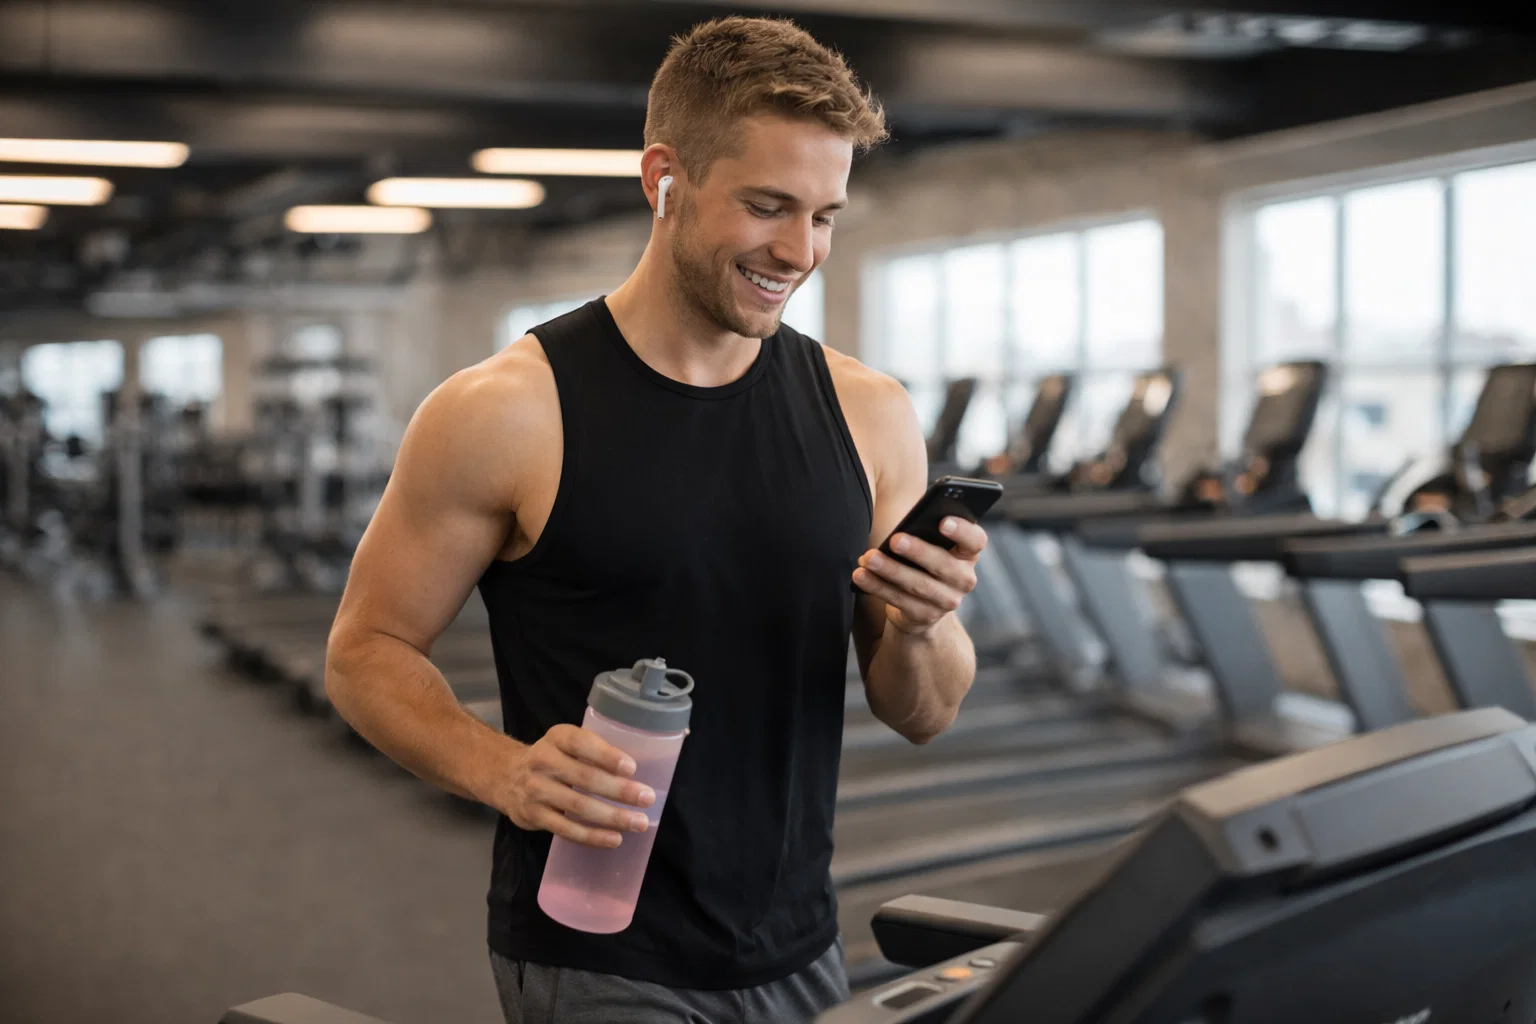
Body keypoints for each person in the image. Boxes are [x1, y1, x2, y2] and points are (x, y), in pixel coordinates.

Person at [325, 16, 987, 1023]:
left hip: (801, 940)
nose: (797, 251)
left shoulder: (870, 415)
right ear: (664, 177)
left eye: (824, 216)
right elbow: (366, 650)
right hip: (598, 953)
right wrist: (504, 770)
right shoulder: (506, 411)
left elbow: (925, 711)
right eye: (766, 206)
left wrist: (925, 622)